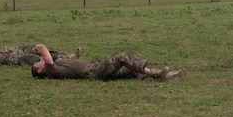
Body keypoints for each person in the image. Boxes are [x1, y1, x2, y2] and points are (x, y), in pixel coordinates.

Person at [29, 44, 181, 81]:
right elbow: (43, 48)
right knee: (121, 57)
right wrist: (37, 49)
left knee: (130, 71)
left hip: (95, 67)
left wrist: (75, 55)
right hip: (94, 72)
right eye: (38, 63)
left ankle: (165, 75)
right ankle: (153, 72)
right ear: (40, 70)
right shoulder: (51, 70)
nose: (41, 61)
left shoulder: (56, 66)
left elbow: (71, 62)